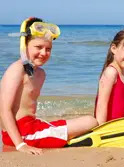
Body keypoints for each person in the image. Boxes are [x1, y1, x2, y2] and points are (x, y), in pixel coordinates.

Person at [0, 17, 98, 155]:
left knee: (87, 122)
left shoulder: (40, 73)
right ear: (24, 45)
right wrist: (20, 145)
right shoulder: (16, 70)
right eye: (38, 47)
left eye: (48, 49)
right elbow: (4, 111)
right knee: (91, 122)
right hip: (21, 135)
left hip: (32, 127)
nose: (44, 53)